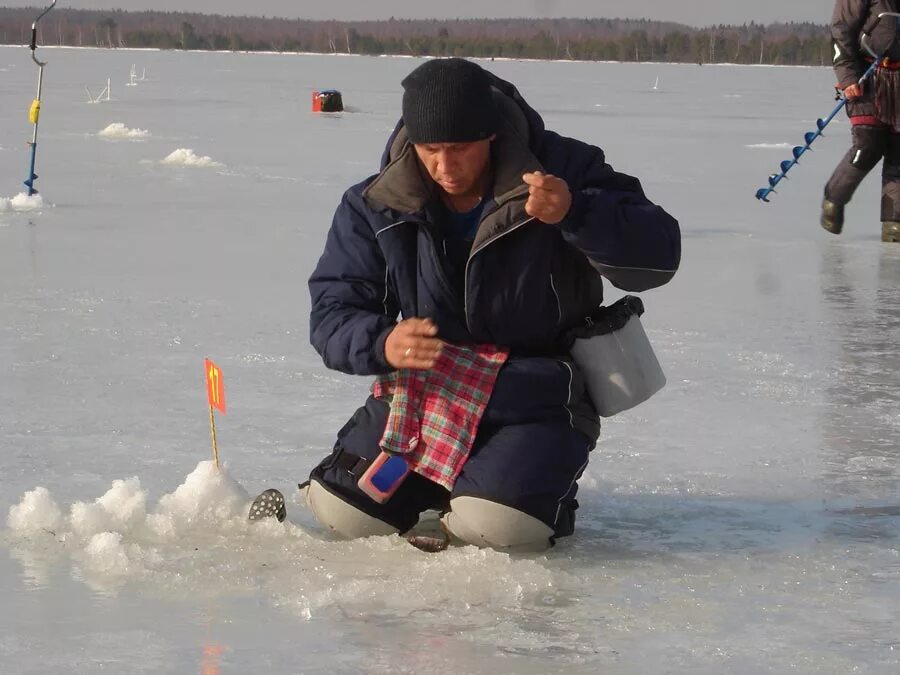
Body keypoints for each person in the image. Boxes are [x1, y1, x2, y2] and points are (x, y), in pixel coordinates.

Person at [277, 58, 679, 552]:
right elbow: (334, 309)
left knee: (497, 530)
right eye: (431, 150)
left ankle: (516, 493)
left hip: (536, 395)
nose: (446, 167)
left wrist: (578, 213)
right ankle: (434, 489)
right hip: (427, 396)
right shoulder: (376, 202)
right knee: (345, 514)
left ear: (489, 136)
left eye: (460, 148)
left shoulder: (563, 170)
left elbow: (660, 257)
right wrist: (383, 341)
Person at [822, 0, 900, 242]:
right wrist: (847, 77)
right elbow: (841, 29)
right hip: (867, 77)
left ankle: (893, 225)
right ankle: (834, 199)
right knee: (868, 144)